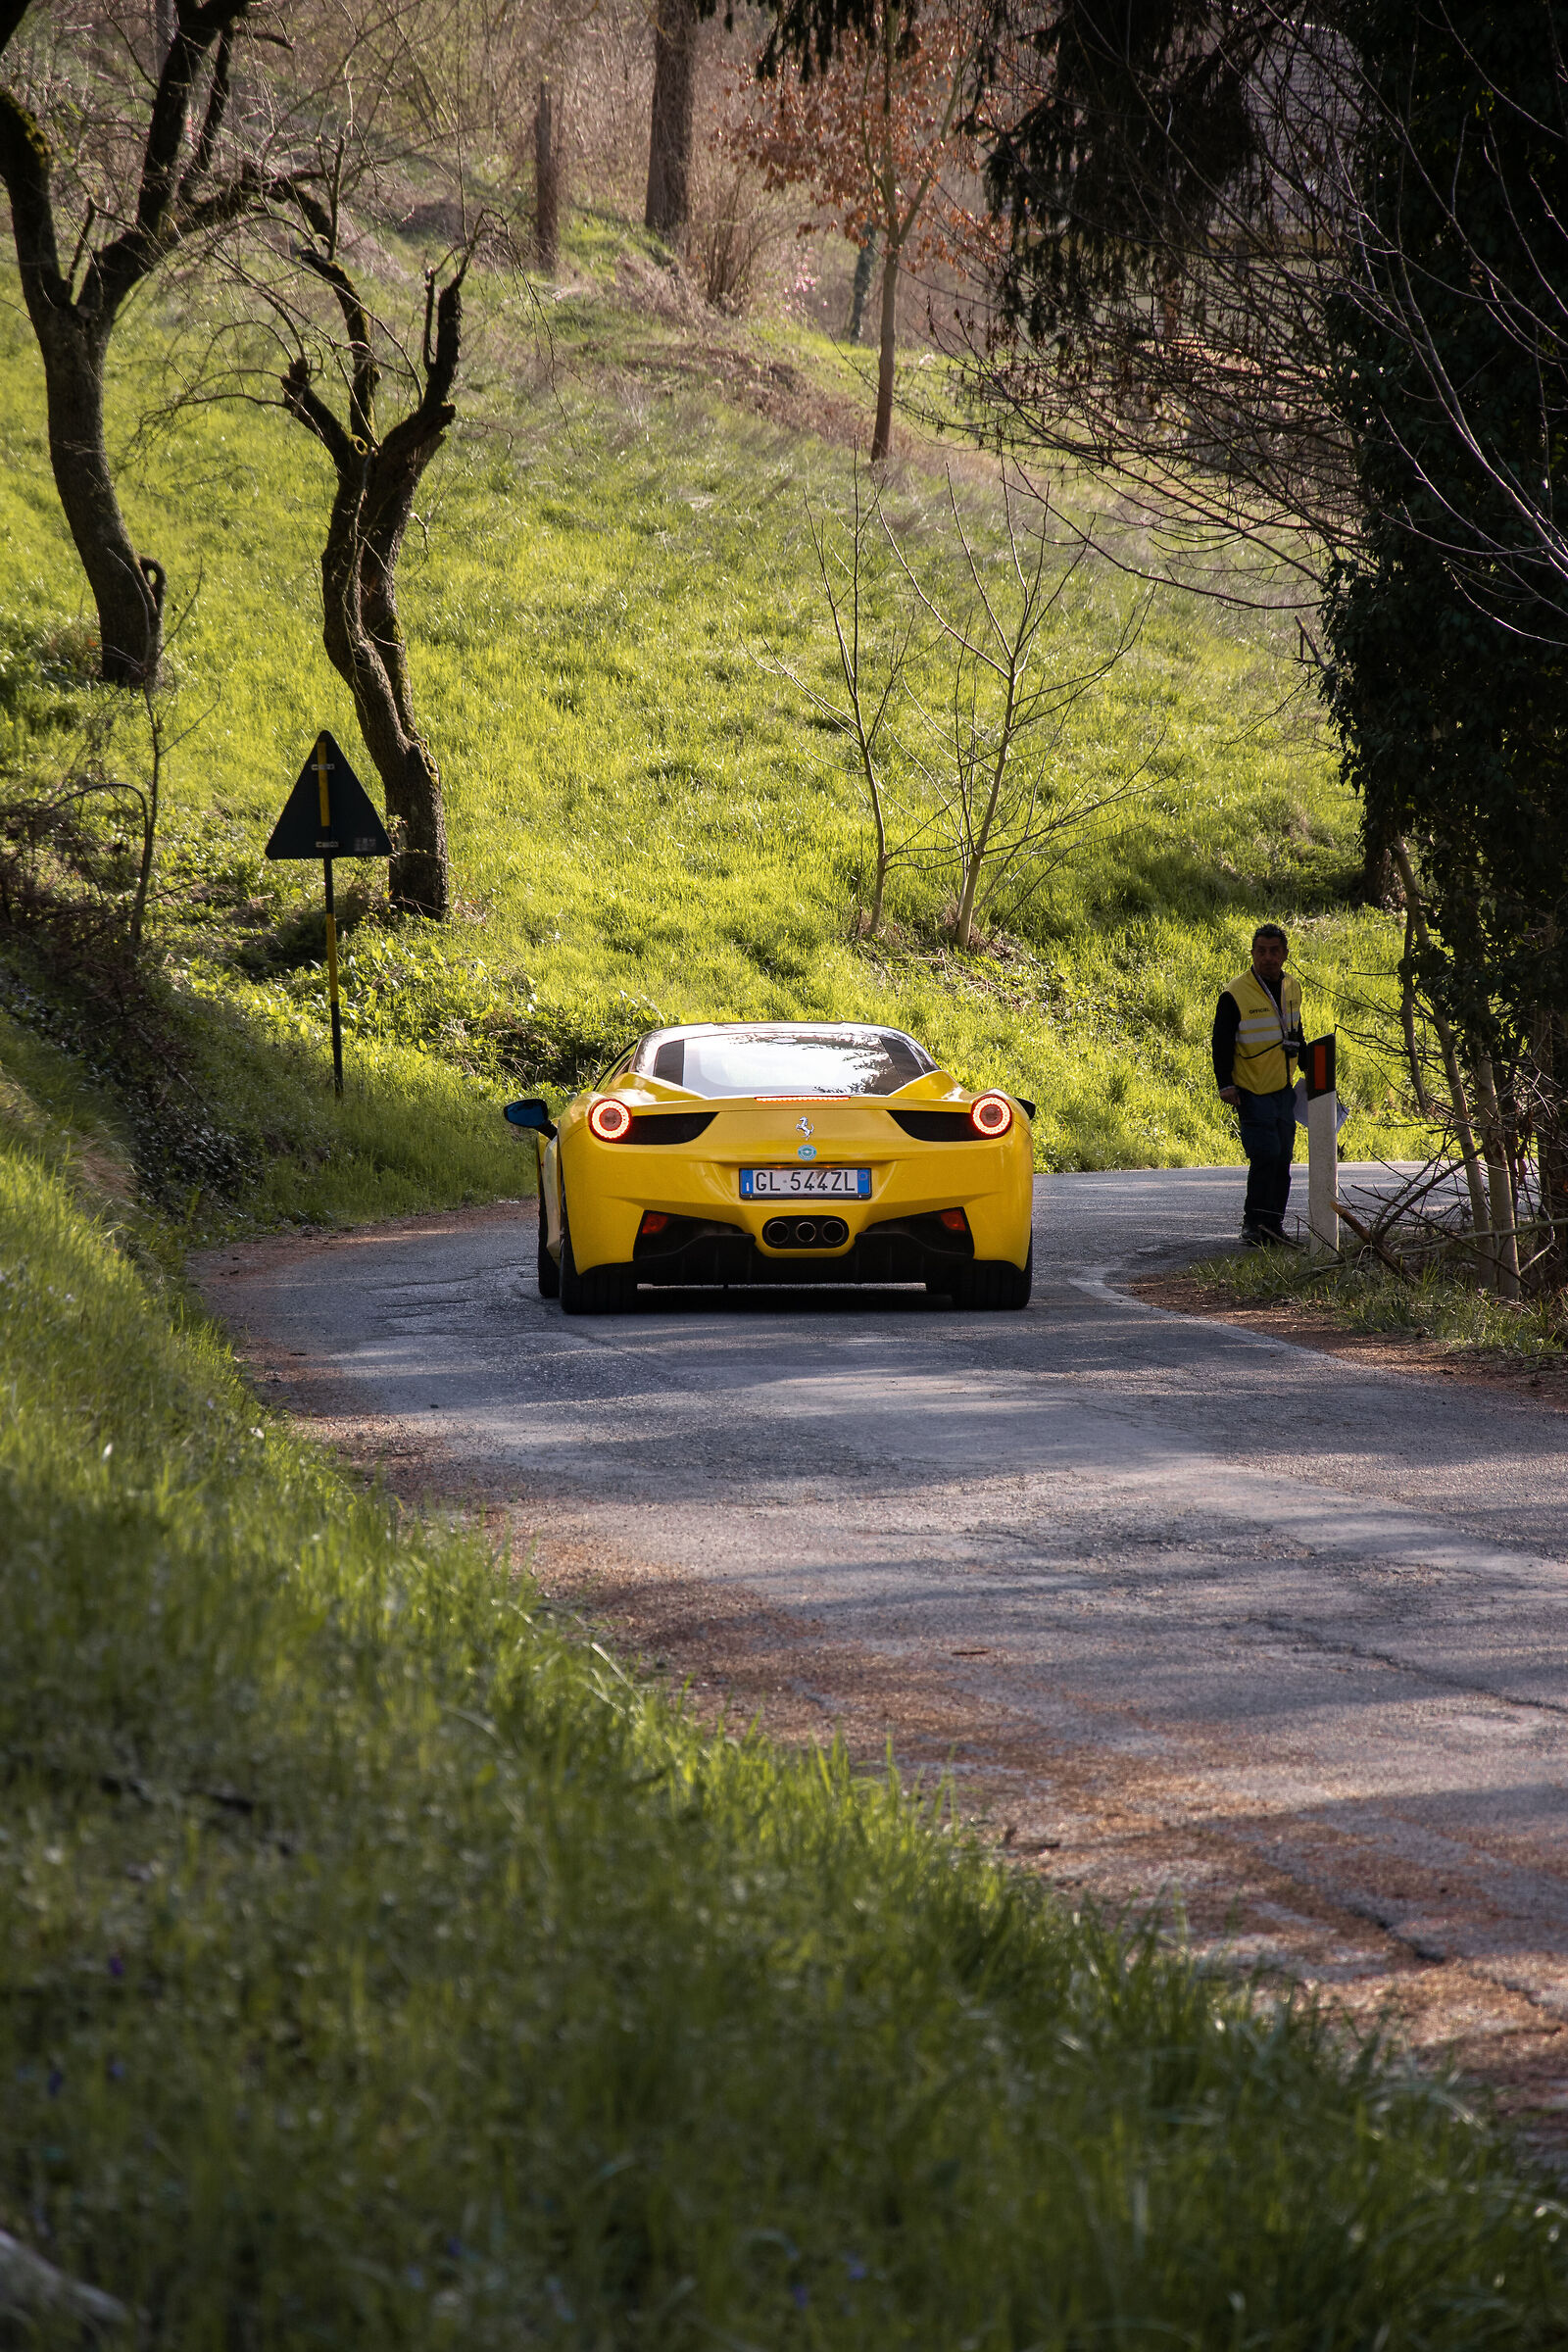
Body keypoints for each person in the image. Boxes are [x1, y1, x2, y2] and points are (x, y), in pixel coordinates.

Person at [1212, 923, 1304, 1247]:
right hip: (1250, 1090)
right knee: (1265, 1155)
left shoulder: (1293, 987)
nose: (1268, 957)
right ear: (1252, 953)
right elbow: (1220, 1043)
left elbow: (1295, 1032)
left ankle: (1272, 1225)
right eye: (1261, 951)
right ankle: (1253, 1223)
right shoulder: (1235, 993)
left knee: (1282, 1160)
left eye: (1274, 951)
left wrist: (1314, 1072)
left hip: (1283, 1090)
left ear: (1285, 954)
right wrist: (1225, 1084)